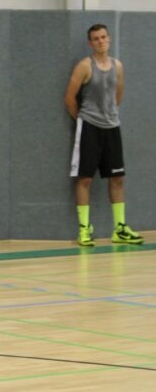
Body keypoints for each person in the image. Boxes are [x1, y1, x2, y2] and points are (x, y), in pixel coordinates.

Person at [64, 23, 143, 247]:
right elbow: (69, 98)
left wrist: (109, 114)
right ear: (90, 43)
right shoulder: (84, 66)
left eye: (103, 37)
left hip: (112, 127)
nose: (101, 41)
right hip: (89, 127)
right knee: (85, 178)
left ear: (109, 39)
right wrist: (84, 119)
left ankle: (120, 229)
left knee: (117, 178)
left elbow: (118, 95)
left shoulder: (117, 66)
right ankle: (84, 229)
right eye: (96, 38)